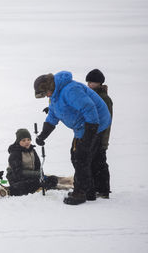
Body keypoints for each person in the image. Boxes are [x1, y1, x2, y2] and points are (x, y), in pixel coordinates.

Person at [34, 71, 111, 205]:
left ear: (49, 87)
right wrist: (43, 135)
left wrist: (89, 135)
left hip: (95, 124)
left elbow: (90, 109)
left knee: (81, 158)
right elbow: (52, 115)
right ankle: (89, 191)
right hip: (81, 127)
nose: (46, 96)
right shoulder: (55, 96)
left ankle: (81, 193)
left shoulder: (70, 90)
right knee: (76, 156)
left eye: (45, 93)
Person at [86, 69, 113, 198]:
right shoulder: (90, 96)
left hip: (100, 136)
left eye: (91, 82)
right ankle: (97, 187)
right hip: (92, 136)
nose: (88, 84)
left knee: (100, 162)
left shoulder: (104, 98)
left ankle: (103, 190)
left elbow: (106, 121)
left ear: (99, 83)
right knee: (92, 162)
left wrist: (103, 141)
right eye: (88, 82)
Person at [6, 128, 58, 196]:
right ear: (18, 141)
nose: (27, 142)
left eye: (28, 140)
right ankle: (11, 190)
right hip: (16, 178)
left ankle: (38, 187)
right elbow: (18, 172)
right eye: (23, 140)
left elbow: (38, 166)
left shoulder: (32, 151)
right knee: (26, 185)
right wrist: (36, 174)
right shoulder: (15, 153)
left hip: (31, 177)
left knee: (53, 179)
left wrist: (41, 174)